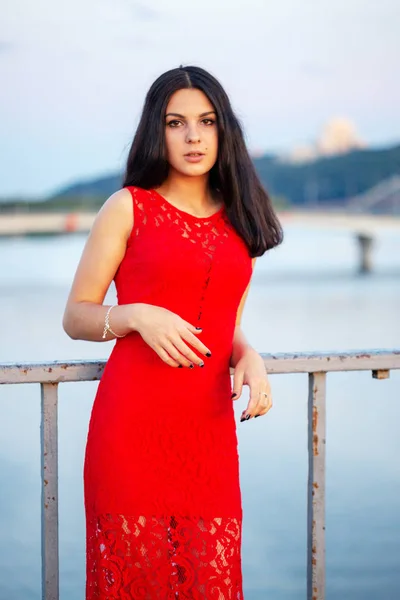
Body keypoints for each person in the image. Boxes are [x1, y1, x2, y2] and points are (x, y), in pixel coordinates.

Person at [62, 65, 283, 599]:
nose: (192, 136)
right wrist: (137, 314)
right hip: (132, 428)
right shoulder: (127, 208)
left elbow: (223, 324)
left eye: (206, 121)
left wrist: (247, 352)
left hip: (207, 434)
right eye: (176, 122)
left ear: (223, 130)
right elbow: (76, 315)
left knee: (208, 582)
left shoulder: (241, 219)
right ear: (155, 132)